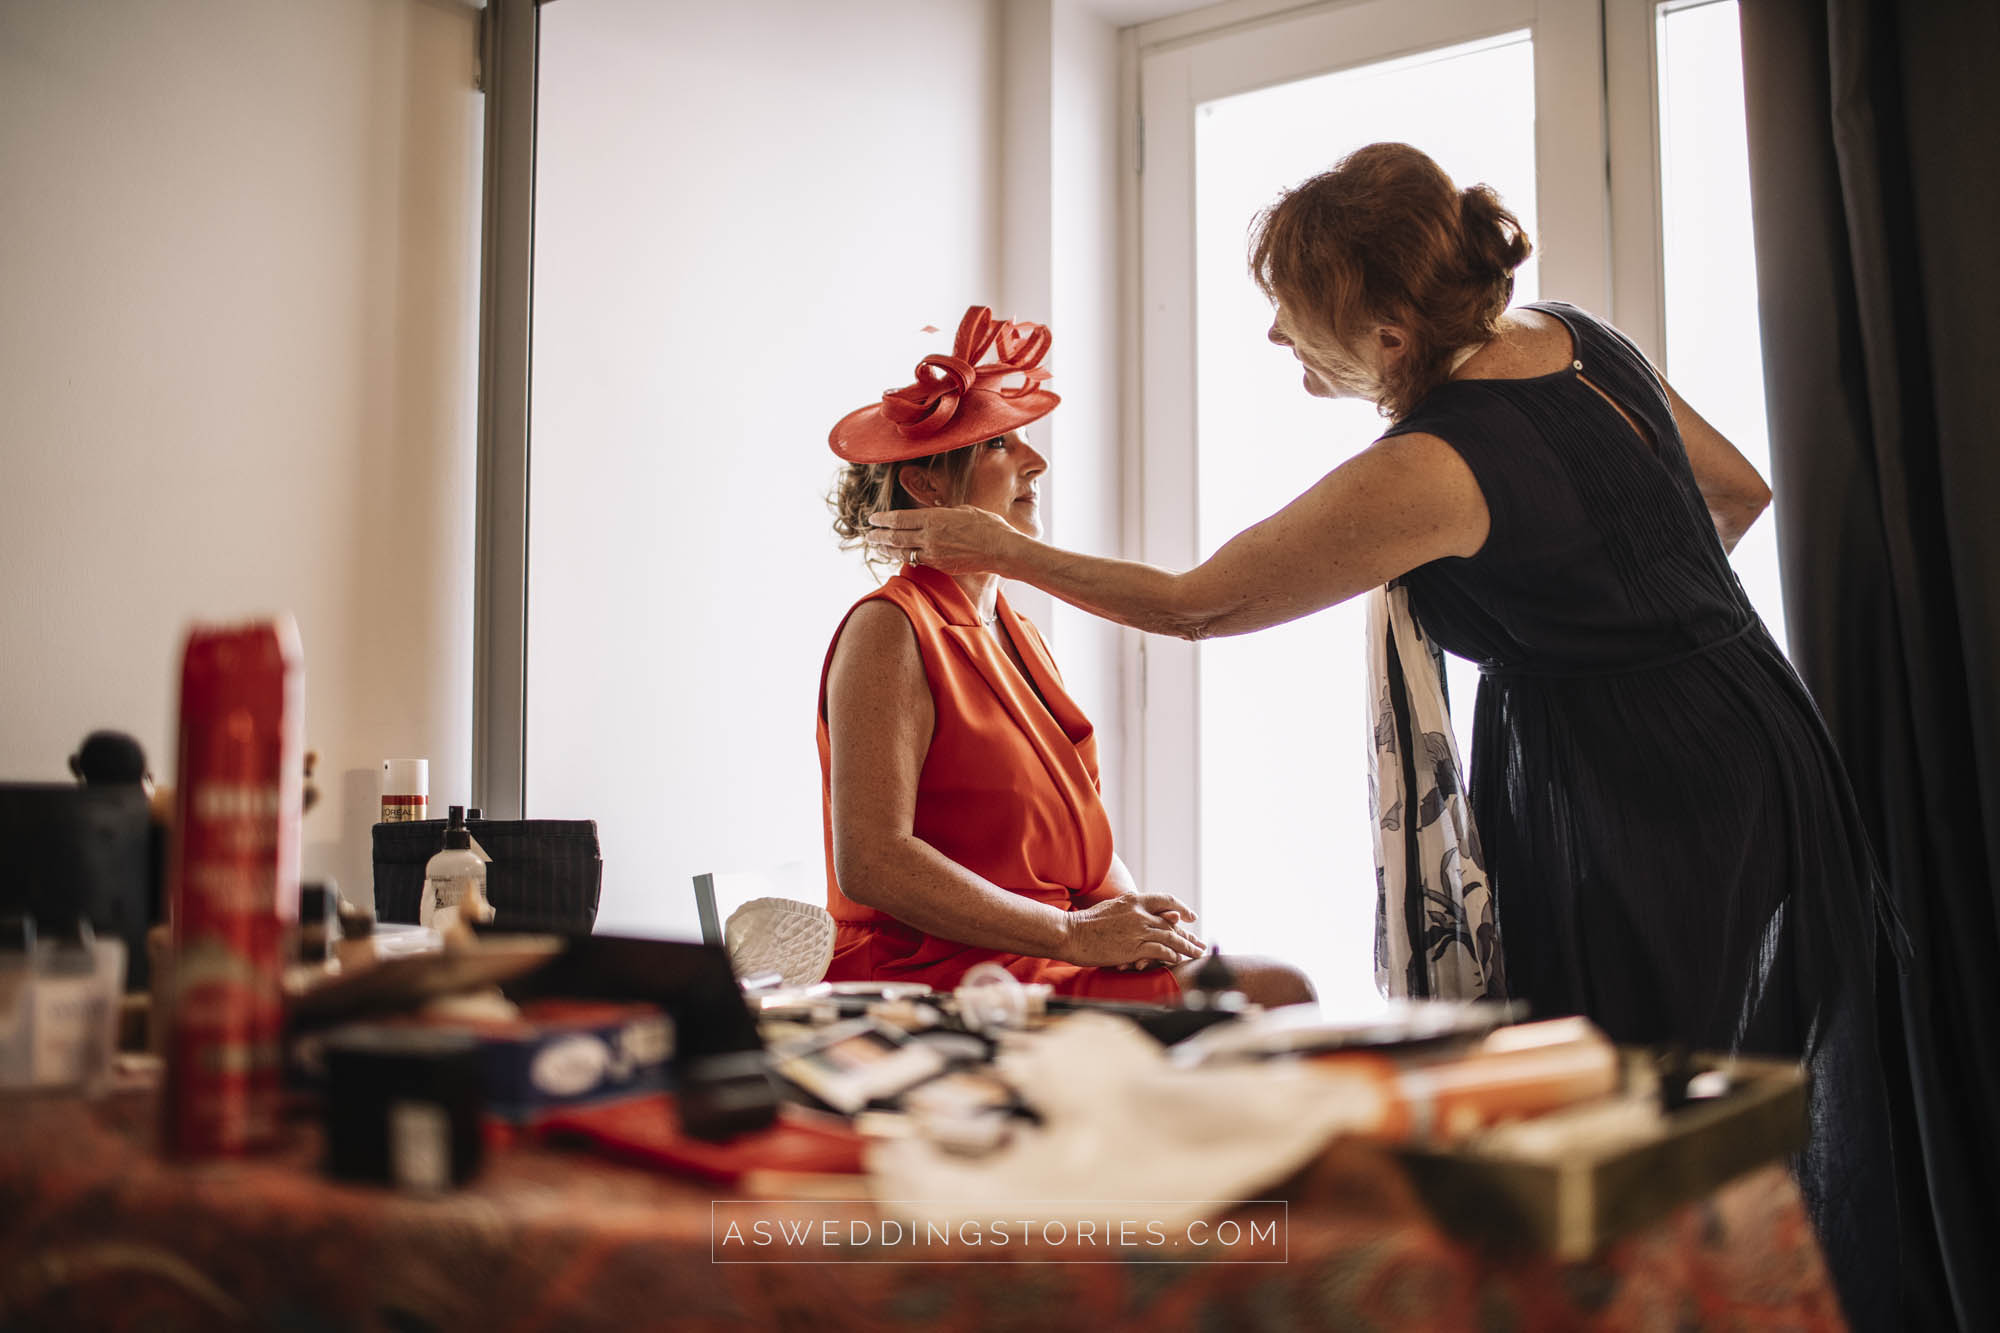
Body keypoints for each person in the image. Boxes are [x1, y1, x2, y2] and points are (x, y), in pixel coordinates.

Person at [865, 147, 1904, 1329]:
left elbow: (1196, 603)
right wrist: (1625, 617)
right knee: (1729, 1088)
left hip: (1636, 788)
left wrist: (1000, 549)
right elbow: (1735, 492)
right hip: (1757, 723)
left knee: (1620, 1120)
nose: (1273, 340)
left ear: (1392, 335)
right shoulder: (1579, 338)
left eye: (1290, 314)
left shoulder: (1435, 463)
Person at [820, 306, 1314, 1007]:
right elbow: (872, 862)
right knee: (1277, 990)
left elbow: (1076, 841)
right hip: (941, 970)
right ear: (927, 486)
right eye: (999, 445)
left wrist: (1143, 923)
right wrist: (1075, 935)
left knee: (1261, 984)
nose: (1036, 460)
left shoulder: (1019, 631)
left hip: (1038, 947)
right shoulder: (889, 629)